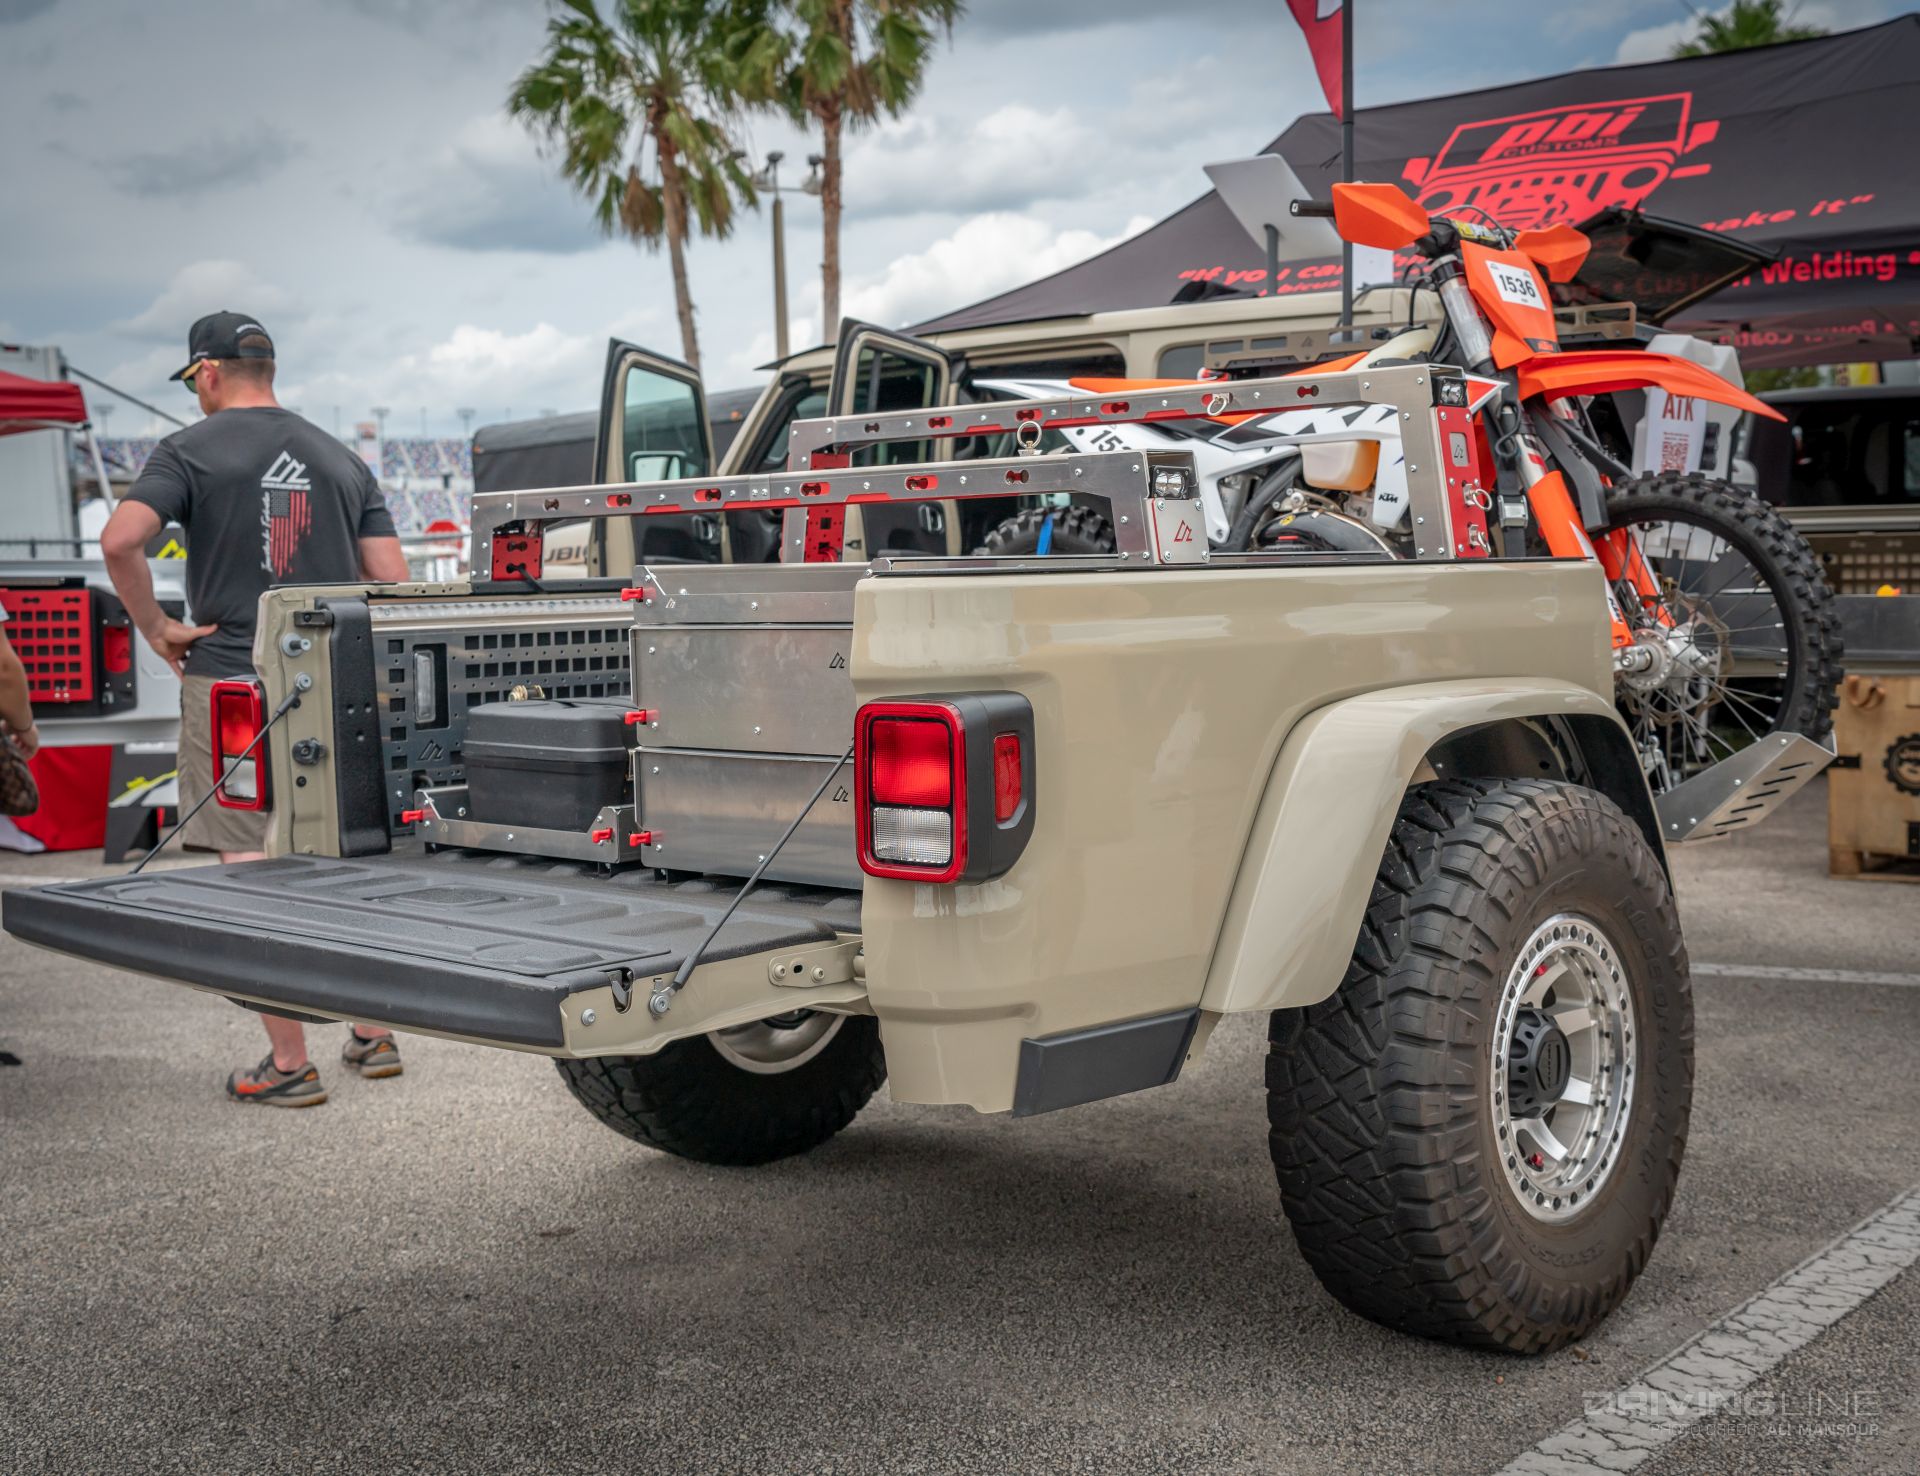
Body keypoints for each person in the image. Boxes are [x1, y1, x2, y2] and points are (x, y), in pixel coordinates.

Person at [100, 311, 413, 1108]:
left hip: (235, 678)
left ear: (206, 373)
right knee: (348, 853)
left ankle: (287, 1063)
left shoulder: (188, 450)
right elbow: (393, 581)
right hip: (336, 681)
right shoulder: (341, 458)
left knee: (249, 863)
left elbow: (118, 541)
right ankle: (375, 1035)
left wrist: (159, 627)